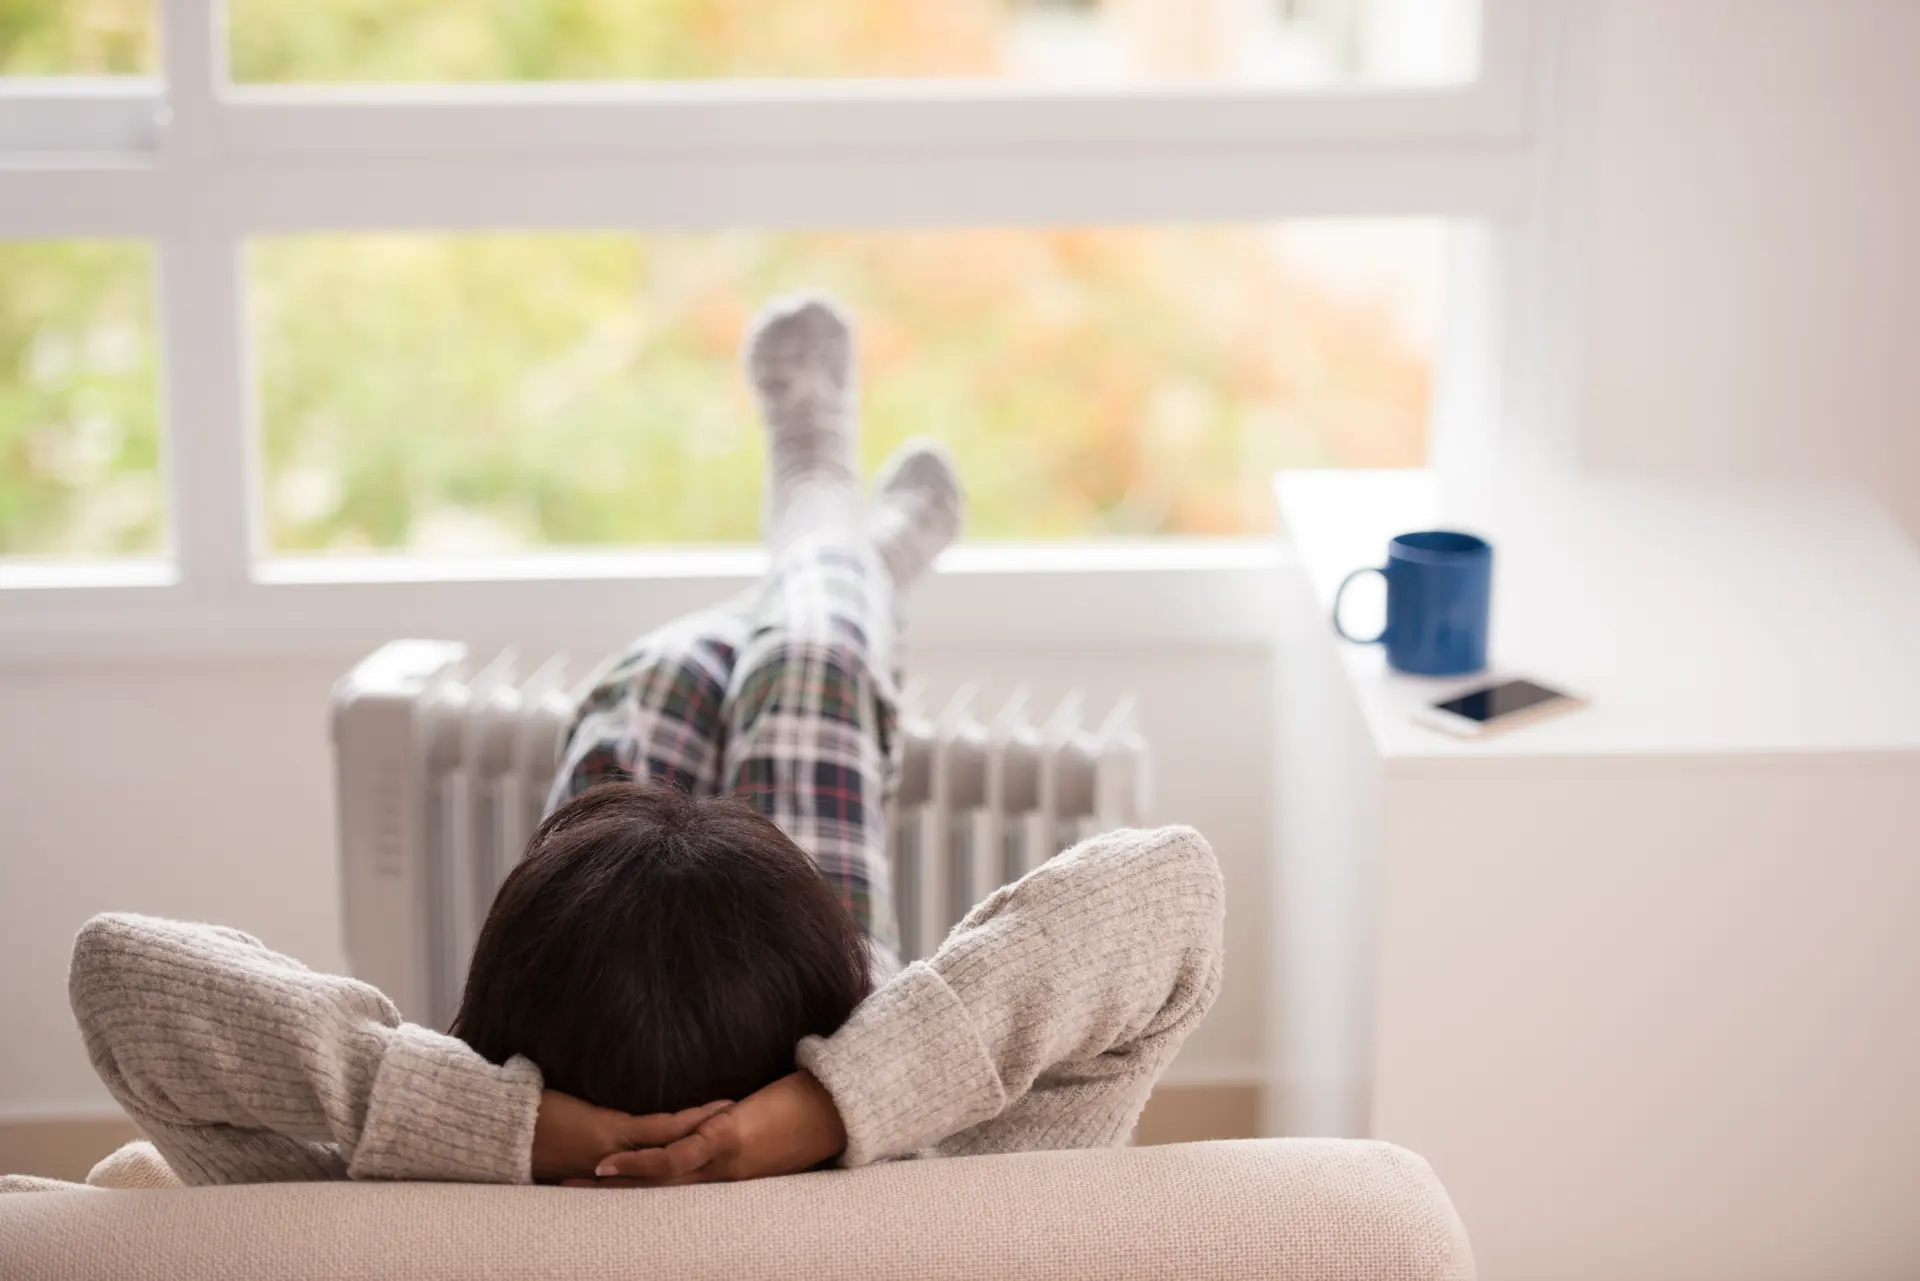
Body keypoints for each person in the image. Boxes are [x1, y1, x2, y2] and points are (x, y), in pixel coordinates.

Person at [61, 296, 1224, 1191]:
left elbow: (124, 976)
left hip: (603, 1046)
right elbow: (1172, 888)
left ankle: (837, 545)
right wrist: (828, 1109)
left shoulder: (380, 1215)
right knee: (806, 667)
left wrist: (511, 1135)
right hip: (818, 1077)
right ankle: (827, 526)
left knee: (653, 691)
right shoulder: (947, 1191)